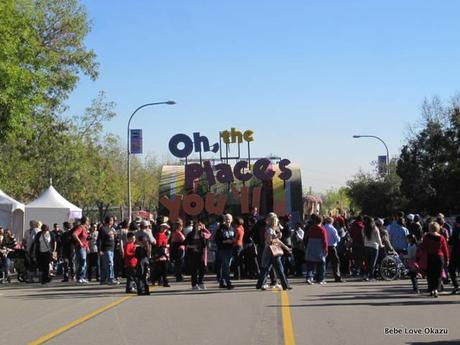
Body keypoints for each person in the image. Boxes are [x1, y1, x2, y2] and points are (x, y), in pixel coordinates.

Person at [256, 213, 292, 290]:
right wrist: (277, 236)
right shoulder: (269, 230)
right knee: (277, 269)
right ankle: (285, 285)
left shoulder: (273, 229)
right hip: (270, 251)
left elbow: (278, 241)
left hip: (272, 251)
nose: (277, 223)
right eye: (276, 221)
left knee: (266, 269)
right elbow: (269, 241)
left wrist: (286, 247)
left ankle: (259, 284)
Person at [421, 222, 449, 297]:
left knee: (430, 275)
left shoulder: (426, 237)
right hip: (439, 257)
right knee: (438, 275)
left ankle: (432, 290)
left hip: (430, 257)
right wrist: (447, 258)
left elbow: (423, 247)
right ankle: (436, 290)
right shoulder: (441, 237)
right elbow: (445, 249)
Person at [185, 220, 211, 290]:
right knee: (194, 270)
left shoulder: (203, 234)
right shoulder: (190, 234)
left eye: (199, 225)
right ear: (194, 226)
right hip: (192, 254)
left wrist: (204, 228)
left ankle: (200, 282)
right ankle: (194, 284)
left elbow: (209, 234)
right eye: (197, 225)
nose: (198, 226)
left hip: (201, 254)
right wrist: (192, 247)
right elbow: (186, 244)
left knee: (202, 269)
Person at [305, 214, 328, 285]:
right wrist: (326, 249)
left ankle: (309, 277)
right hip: (319, 247)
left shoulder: (311, 228)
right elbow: (325, 241)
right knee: (321, 264)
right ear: (321, 221)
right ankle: (320, 279)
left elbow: (306, 237)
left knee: (310, 264)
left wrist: (306, 246)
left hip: (311, 246)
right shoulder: (322, 229)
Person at [215, 213, 236, 289]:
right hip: (222, 250)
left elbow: (235, 238)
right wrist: (225, 241)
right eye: (226, 219)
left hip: (230, 250)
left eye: (229, 219)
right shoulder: (220, 229)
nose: (228, 220)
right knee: (226, 266)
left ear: (232, 220)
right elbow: (216, 240)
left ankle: (222, 282)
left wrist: (233, 241)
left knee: (226, 266)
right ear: (224, 220)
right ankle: (228, 283)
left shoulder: (233, 229)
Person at [97, 216, 118, 285]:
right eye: (112, 220)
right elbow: (99, 240)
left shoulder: (111, 229)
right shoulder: (103, 229)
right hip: (106, 249)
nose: (113, 222)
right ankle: (111, 279)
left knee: (105, 265)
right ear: (109, 221)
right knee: (109, 264)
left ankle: (103, 279)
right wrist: (99, 250)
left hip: (111, 249)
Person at [363, 216, 383, 281]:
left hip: (366, 246)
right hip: (374, 246)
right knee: (372, 262)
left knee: (367, 262)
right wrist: (381, 245)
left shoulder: (364, 229)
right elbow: (378, 238)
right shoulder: (375, 229)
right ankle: (371, 276)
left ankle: (366, 275)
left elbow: (363, 237)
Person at [324, 216, 343, 282]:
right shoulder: (333, 229)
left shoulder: (323, 228)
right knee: (335, 262)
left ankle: (320, 276)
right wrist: (340, 238)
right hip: (332, 247)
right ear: (332, 222)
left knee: (324, 262)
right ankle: (337, 277)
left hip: (324, 247)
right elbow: (337, 239)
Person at [152, 223, 171, 287]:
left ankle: (158, 280)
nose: (165, 229)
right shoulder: (159, 235)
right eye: (164, 228)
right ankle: (163, 281)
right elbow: (158, 244)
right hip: (161, 252)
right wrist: (165, 245)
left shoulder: (164, 234)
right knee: (162, 268)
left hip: (164, 252)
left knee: (162, 268)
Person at [73, 216, 90, 284]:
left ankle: (82, 277)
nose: (88, 222)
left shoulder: (85, 228)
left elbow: (86, 239)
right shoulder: (80, 227)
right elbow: (74, 234)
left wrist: (87, 247)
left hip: (84, 247)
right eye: (88, 220)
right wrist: (79, 242)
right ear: (85, 221)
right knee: (82, 261)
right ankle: (79, 277)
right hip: (80, 247)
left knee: (84, 263)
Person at [448, 216, 460, 294]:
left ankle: (456, 286)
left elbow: (452, 241)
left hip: (456, 253)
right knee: (452, 269)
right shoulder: (455, 229)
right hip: (456, 252)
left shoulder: (456, 230)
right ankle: (456, 286)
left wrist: (449, 240)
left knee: (451, 269)